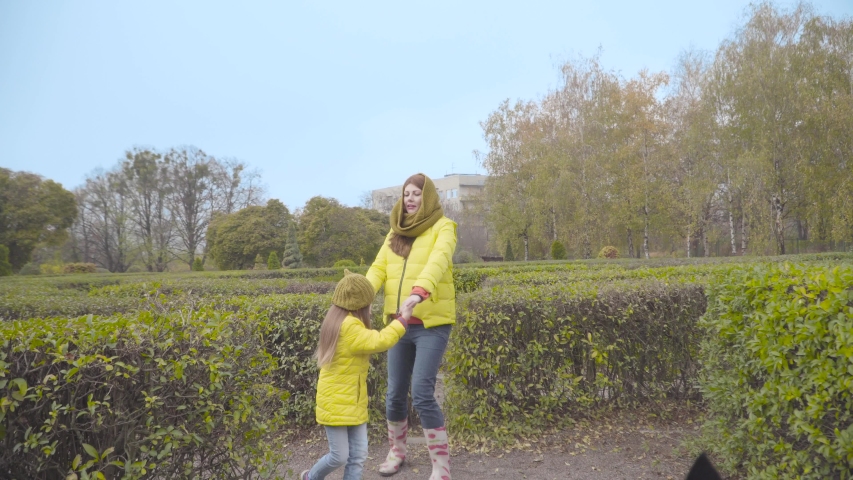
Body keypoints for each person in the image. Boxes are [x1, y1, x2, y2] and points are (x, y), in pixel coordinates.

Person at [366, 173, 456, 480]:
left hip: (432, 323)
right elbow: (378, 268)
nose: (411, 199)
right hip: (399, 324)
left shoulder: (443, 227)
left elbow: (438, 261)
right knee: (394, 393)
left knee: (421, 392)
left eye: (417, 193)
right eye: (407, 194)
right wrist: (359, 298)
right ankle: (397, 452)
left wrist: (418, 293)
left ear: (427, 197)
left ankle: (441, 466)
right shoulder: (395, 232)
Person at [301, 270, 408, 480]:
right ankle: (310, 477)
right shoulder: (349, 326)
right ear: (362, 305)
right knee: (339, 456)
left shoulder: (343, 320)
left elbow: (370, 337)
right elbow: (379, 341)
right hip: (337, 402)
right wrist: (402, 321)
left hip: (352, 400)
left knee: (358, 455)